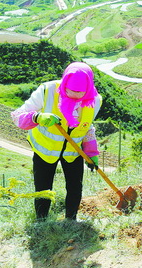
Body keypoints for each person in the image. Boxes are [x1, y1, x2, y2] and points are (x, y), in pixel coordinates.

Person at [11, 62, 102, 221]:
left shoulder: (95, 100)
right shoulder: (47, 90)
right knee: (43, 190)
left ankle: (71, 220)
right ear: (64, 82)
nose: (74, 95)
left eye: (79, 93)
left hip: (73, 153)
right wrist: (37, 117)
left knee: (75, 188)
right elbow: (18, 116)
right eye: (70, 91)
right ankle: (41, 221)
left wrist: (91, 153)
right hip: (45, 150)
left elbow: (88, 127)